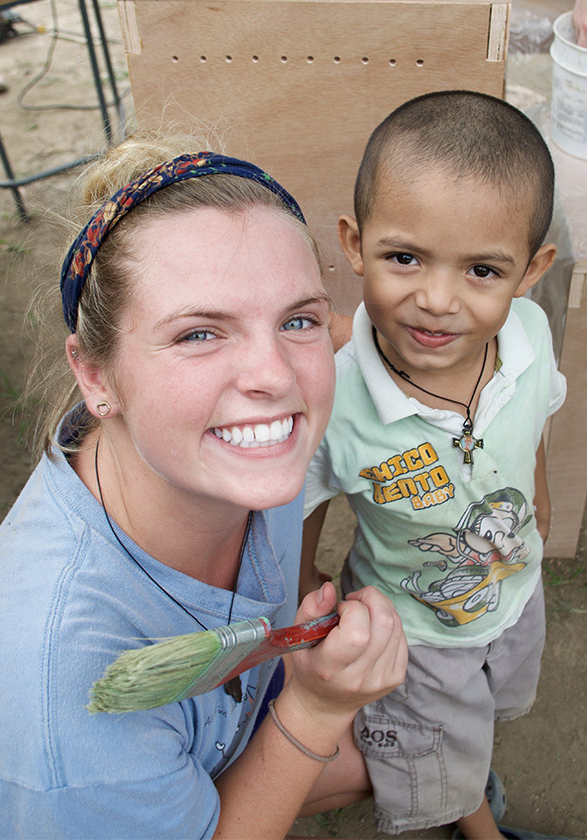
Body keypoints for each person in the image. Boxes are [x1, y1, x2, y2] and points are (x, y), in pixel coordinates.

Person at [0, 132, 408, 839]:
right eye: (199, 334)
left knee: (410, 759)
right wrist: (313, 709)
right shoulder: (59, 705)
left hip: (219, 730)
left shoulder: (231, 454)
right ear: (94, 374)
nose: (275, 375)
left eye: (298, 319)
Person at [301, 91, 567, 840]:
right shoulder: (336, 397)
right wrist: (302, 585)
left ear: (530, 271)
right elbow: (303, 495)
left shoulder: (530, 334)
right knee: (437, 746)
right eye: (405, 257)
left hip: (515, 591)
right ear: (355, 244)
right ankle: (481, 827)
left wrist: (540, 494)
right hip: (413, 630)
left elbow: (540, 408)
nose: (438, 300)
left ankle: (470, 770)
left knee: (489, 703)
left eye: (482, 269)